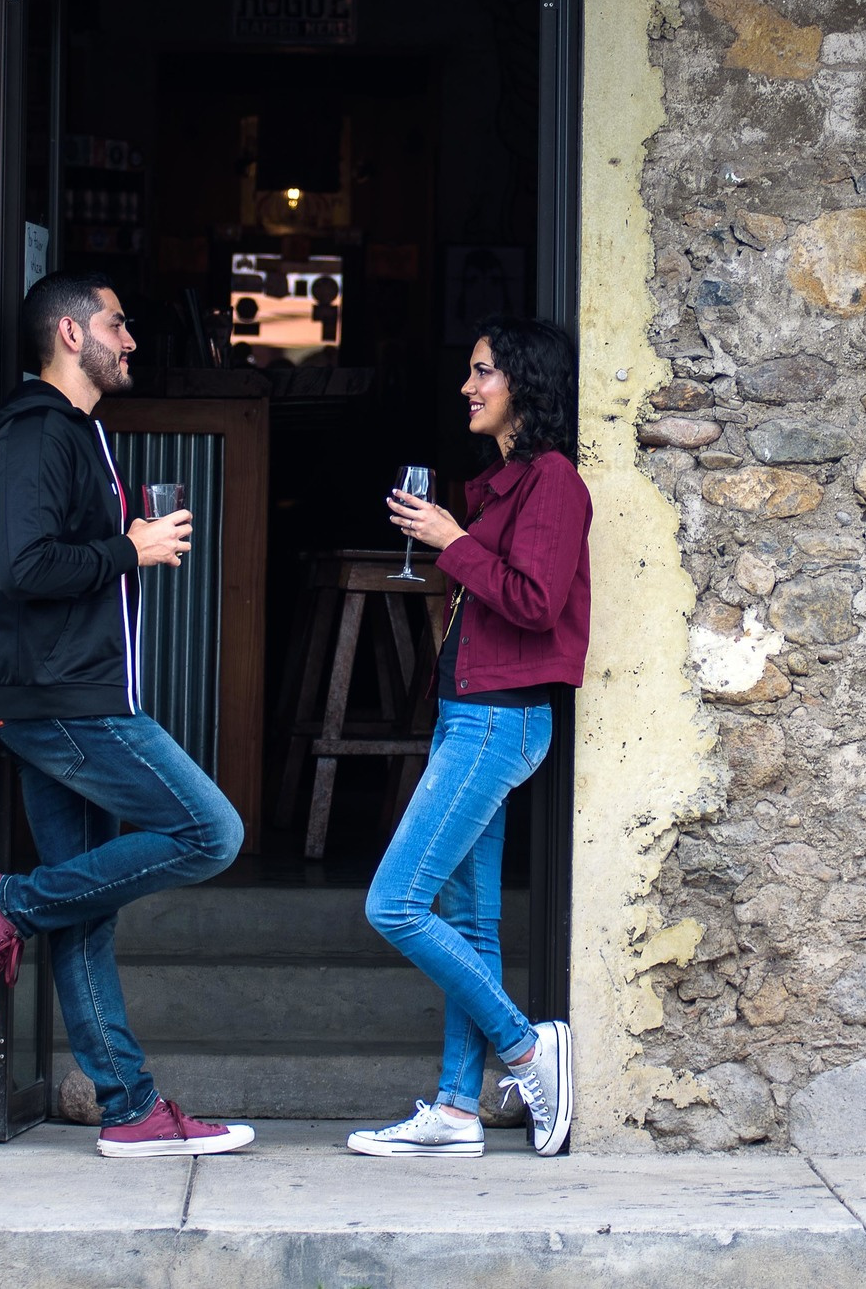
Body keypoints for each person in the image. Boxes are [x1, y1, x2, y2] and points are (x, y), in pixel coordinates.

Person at [0, 270, 253, 1159]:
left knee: (91, 910)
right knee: (212, 831)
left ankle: (128, 1106)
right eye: (117, 324)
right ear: (69, 334)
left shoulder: (78, 431)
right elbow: (26, 566)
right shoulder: (34, 432)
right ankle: (12, 904)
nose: (131, 339)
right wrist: (129, 547)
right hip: (61, 701)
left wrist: (126, 550)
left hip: (73, 693)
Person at [347, 315, 588, 1159]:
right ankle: (457, 1107)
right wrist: (454, 545)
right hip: (472, 713)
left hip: (502, 717)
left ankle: (526, 1048)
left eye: (483, 371)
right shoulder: (506, 482)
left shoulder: (555, 480)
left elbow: (535, 602)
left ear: (523, 382)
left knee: (395, 901)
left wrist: (451, 542)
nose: (468, 385)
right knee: (469, 918)